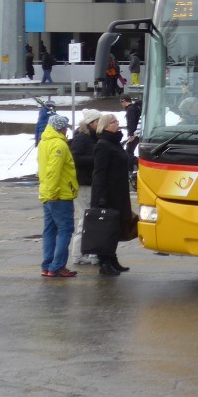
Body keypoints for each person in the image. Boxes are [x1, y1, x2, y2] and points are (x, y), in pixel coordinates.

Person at [91, 113, 134, 276]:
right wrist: (101, 197)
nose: (117, 124)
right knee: (106, 230)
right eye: (113, 122)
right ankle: (104, 262)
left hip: (118, 193)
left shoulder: (114, 142)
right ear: (105, 125)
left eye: (117, 121)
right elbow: (99, 173)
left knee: (115, 229)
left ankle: (112, 259)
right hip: (107, 194)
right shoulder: (103, 144)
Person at [38, 113, 79, 278]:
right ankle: (57, 266)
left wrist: (48, 192)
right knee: (65, 229)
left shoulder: (44, 142)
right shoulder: (59, 145)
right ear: (61, 128)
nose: (66, 131)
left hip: (46, 193)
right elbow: (53, 171)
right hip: (59, 195)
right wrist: (53, 193)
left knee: (49, 230)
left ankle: (47, 265)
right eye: (65, 128)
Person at [68, 109, 102, 265]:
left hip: (88, 182)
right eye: (98, 121)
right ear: (92, 123)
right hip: (83, 184)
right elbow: (75, 158)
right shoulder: (82, 138)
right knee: (85, 218)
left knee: (87, 218)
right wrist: (95, 159)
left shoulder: (91, 137)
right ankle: (78, 254)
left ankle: (85, 253)